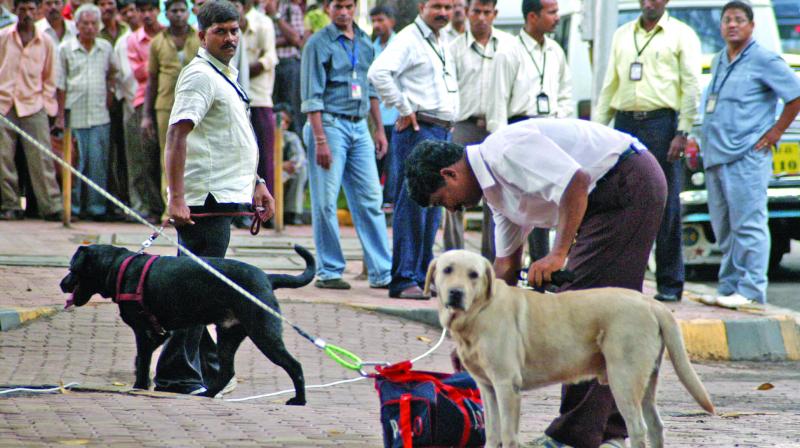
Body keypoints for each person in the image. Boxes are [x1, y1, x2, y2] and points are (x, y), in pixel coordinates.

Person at [405, 118, 667, 448]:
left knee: (582, 309)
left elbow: (576, 182)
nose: (452, 209)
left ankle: (577, 437)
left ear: (449, 174)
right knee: (586, 310)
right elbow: (506, 266)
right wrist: (471, 333)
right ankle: (607, 433)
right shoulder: (494, 194)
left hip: (627, 182)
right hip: (601, 198)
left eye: (443, 200)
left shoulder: (505, 152)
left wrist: (557, 255)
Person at [160, 0, 274, 395]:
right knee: (195, 293)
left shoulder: (225, 73)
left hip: (227, 196)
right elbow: (177, 136)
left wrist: (257, 182)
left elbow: (233, 136)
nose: (230, 38)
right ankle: (177, 374)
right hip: (202, 202)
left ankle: (203, 371)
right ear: (202, 34)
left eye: (234, 30)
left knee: (199, 290)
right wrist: (176, 198)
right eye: (221, 31)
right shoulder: (199, 76)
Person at [594, 0, 701, 303]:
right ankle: (624, 282)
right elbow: (609, 85)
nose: (650, 2)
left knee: (665, 204)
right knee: (620, 202)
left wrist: (683, 131)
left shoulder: (681, 34)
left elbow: (691, 84)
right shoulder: (623, 34)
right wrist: (598, 130)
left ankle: (669, 283)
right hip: (625, 122)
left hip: (662, 125)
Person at [698, 1, 800, 308]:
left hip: (746, 157)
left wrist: (776, 132)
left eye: (739, 20)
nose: (732, 25)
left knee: (749, 225)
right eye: (727, 20)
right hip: (716, 156)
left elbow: (795, 97)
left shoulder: (765, 60)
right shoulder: (719, 60)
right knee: (724, 228)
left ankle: (752, 291)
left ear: (751, 25)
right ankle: (729, 288)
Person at [368, 0, 459, 300]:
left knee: (435, 205)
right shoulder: (408, 38)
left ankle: (422, 276)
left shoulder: (444, 39)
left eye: (449, 6)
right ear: (422, 6)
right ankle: (404, 278)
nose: (444, 12)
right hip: (420, 129)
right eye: (437, 6)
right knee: (412, 204)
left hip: (441, 129)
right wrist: (404, 109)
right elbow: (378, 73)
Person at [300, 0, 391, 290]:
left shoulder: (365, 41)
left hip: (359, 124)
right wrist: (320, 139)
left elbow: (371, 88)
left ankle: (382, 271)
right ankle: (329, 270)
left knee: (370, 200)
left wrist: (378, 130)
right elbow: (311, 96)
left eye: (349, 6)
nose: (344, 12)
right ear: (328, 8)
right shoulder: (318, 43)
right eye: (338, 6)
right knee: (325, 202)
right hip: (327, 123)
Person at [485, 0, 572, 264]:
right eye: (552, 12)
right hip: (518, 131)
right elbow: (496, 104)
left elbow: (566, 94)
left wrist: (563, 128)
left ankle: (542, 270)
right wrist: (499, 148)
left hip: (550, 130)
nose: (557, 17)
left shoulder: (555, 51)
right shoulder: (508, 52)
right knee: (512, 204)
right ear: (532, 16)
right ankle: (501, 268)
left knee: (548, 200)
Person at [442, 0, 509, 255]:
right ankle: (453, 256)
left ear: (495, 14)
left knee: (496, 195)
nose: (481, 18)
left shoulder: (507, 46)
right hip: (463, 126)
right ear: (467, 13)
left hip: (496, 127)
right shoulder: (454, 49)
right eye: (476, 12)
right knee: (453, 192)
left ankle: (491, 262)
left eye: (486, 12)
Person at [0, 0, 63, 221]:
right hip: (4, 103)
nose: (26, 14)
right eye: (22, 9)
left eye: (30, 10)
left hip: (34, 104)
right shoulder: (4, 36)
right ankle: (10, 204)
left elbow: (50, 76)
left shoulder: (45, 41)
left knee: (41, 157)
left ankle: (51, 206)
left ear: (37, 12)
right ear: (14, 11)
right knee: (3, 157)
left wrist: (47, 106)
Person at [56, 3, 116, 221]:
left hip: (100, 116)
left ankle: (96, 209)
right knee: (75, 166)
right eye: (85, 23)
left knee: (98, 166)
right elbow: (60, 84)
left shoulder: (106, 48)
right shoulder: (65, 48)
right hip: (75, 116)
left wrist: (109, 96)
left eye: (94, 23)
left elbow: (112, 74)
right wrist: (61, 116)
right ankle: (74, 208)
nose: (90, 27)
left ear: (98, 25)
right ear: (77, 25)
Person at [142, 0, 201, 206]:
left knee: (194, 154)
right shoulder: (157, 42)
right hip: (165, 105)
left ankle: (193, 204)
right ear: (166, 14)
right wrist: (146, 115)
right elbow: (152, 79)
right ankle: (170, 207)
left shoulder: (199, 38)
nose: (178, 15)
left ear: (188, 13)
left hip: (195, 106)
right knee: (166, 155)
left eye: (182, 11)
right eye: (174, 11)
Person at [125, 0, 163, 222]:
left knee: (168, 156)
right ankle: (153, 208)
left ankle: (168, 206)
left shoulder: (168, 35)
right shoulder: (133, 40)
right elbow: (140, 74)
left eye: (151, 10)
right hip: (144, 102)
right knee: (146, 157)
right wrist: (160, 62)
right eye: (143, 10)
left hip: (169, 100)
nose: (147, 14)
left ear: (158, 11)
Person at [235, 0, 277, 195]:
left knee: (263, 156)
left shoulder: (263, 23)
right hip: (231, 99)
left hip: (258, 97)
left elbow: (269, 59)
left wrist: (240, 71)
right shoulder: (220, 25)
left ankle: (265, 211)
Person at [98, 0, 130, 220]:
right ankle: (108, 203)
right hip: (102, 104)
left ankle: (125, 200)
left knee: (124, 156)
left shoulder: (126, 33)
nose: (107, 8)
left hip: (123, 101)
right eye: (102, 3)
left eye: (111, 3)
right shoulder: (92, 31)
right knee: (106, 156)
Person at [369, 4, 396, 210]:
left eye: (381, 20)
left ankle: (390, 200)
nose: (377, 25)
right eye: (374, 21)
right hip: (375, 115)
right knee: (375, 159)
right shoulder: (371, 47)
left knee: (393, 161)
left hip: (396, 114)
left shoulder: (400, 45)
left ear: (391, 21)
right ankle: (375, 200)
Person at [265, 0, 304, 134]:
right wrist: (283, 40)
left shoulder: (292, 8)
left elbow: (296, 38)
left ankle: (296, 146)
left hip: (289, 64)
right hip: (267, 66)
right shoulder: (259, 10)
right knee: (269, 108)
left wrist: (275, 15)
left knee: (292, 108)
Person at [275, 103, 307, 225]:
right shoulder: (262, 136)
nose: (282, 124)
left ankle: (292, 212)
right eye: (280, 119)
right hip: (265, 175)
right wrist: (279, 166)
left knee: (302, 170)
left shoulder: (290, 137)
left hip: (284, 176)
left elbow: (299, 159)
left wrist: (284, 169)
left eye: (286, 122)